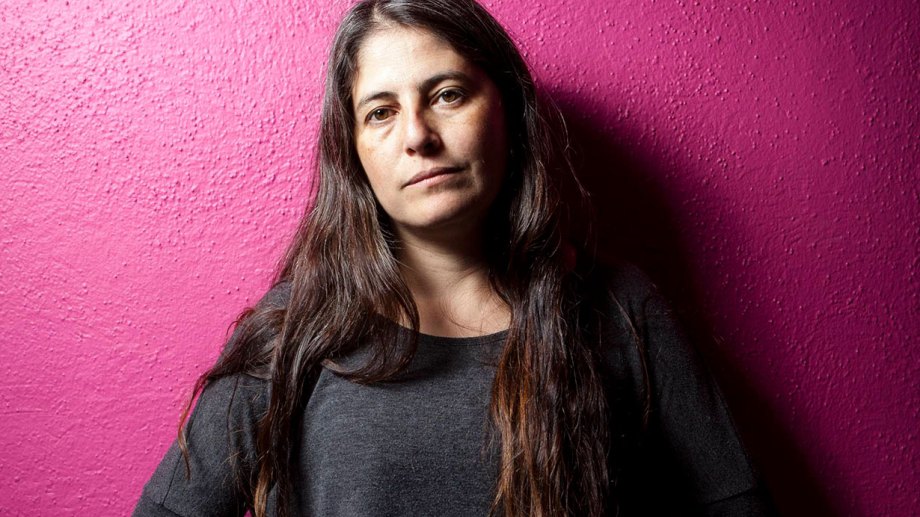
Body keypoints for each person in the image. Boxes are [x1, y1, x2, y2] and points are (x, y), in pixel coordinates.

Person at [133, 0, 774, 515]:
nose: (417, 135)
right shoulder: (295, 329)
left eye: (447, 95)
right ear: (352, 152)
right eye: (381, 112)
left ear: (508, 112)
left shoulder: (619, 309)